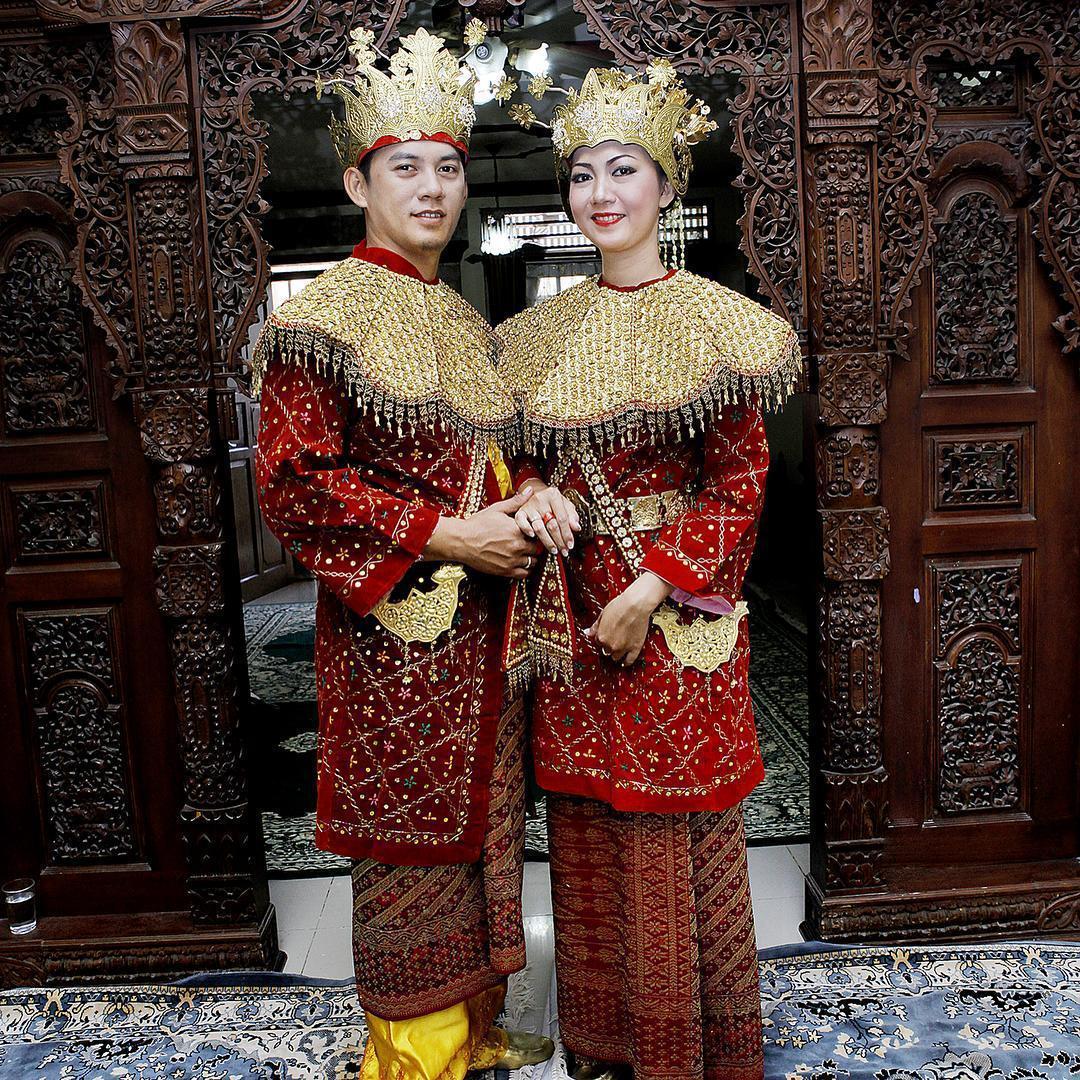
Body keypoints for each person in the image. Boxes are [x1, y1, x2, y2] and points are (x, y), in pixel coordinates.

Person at [252, 23, 552, 1080]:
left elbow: (496, 461)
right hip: (396, 640)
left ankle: (472, 1030)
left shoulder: (467, 325)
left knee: (487, 828)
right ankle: (413, 1053)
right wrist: (447, 534)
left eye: (447, 169)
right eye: (405, 168)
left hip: (491, 639)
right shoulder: (322, 319)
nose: (430, 188)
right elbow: (293, 481)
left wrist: (528, 504)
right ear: (357, 180)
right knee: (409, 843)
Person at [498, 62, 800, 1080]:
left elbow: (739, 484)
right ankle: (604, 1051)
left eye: (624, 169)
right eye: (583, 174)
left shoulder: (717, 322)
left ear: (666, 185)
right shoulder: (534, 339)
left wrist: (649, 588)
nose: (601, 193)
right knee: (586, 840)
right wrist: (532, 493)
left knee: (679, 837)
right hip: (572, 625)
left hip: (670, 622)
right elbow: (524, 463)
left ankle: (695, 1053)